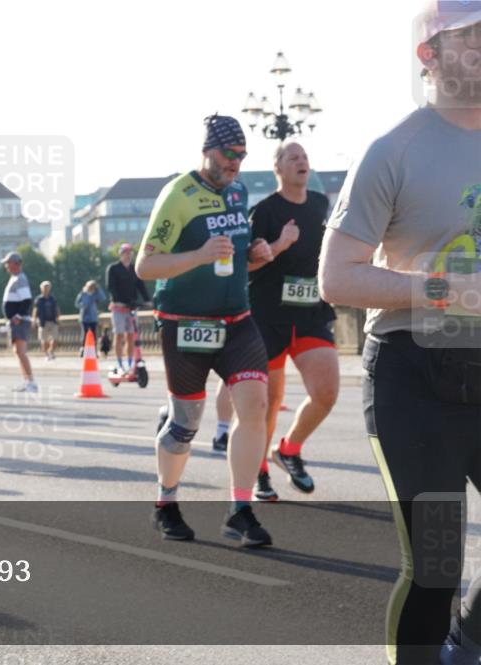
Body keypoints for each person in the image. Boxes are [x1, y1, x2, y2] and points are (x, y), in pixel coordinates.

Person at [319, 4, 481, 662]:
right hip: (416, 373)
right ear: (429, 57)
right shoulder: (394, 149)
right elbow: (336, 277)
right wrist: (443, 291)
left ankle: (466, 641)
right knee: (438, 562)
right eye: (470, 39)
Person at [136, 114, 274, 548]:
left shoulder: (238, 190)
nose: (236, 163)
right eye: (229, 155)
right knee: (186, 423)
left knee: (255, 403)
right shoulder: (178, 195)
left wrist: (258, 253)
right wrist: (197, 254)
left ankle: (240, 509)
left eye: (242, 156)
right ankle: (166, 503)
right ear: (208, 151)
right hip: (185, 323)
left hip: (236, 319)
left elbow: (234, 255)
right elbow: (146, 266)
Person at [247, 140, 340, 500]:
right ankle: (258, 471)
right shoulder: (265, 211)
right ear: (278, 169)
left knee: (326, 392)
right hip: (268, 316)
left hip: (310, 312)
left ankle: (289, 449)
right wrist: (280, 245)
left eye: (304, 156)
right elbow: (250, 264)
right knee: (268, 401)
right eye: (292, 158)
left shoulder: (320, 204)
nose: (301, 161)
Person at [107, 243, 152, 375]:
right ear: (121, 254)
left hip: (131, 306)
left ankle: (130, 362)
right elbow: (111, 287)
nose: (129, 255)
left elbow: (140, 285)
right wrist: (117, 301)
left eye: (130, 253)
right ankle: (120, 363)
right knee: (119, 334)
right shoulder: (113, 268)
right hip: (119, 307)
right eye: (126, 252)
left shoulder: (134, 269)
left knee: (131, 336)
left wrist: (147, 300)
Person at [1, 251, 37, 392]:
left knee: (21, 352)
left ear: (15, 264)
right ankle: (27, 381)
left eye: (8, 263)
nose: (6, 266)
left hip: (19, 322)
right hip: (17, 321)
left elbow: (27, 300)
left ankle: (30, 382)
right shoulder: (16, 278)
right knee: (19, 352)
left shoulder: (19, 279)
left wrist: (18, 316)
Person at [34, 280, 60, 361]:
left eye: (47, 288)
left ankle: (50, 351)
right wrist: (33, 320)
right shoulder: (39, 299)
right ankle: (47, 355)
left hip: (53, 321)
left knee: (55, 339)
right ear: (41, 289)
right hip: (43, 322)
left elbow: (56, 308)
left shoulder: (52, 298)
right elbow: (35, 310)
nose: (46, 289)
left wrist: (58, 317)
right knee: (43, 340)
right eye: (44, 288)